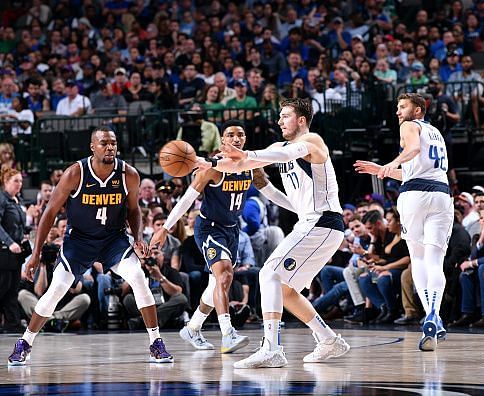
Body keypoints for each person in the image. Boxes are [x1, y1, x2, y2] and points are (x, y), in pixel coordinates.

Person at [195, 98, 350, 368]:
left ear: (301, 120)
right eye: (279, 116)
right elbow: (242, 166)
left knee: (269, 273)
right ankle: (329, 339)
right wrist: (206, 163)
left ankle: (272, 348)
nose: (279, 121)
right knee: (286, 290)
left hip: (323, 222)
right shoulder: (279, 146)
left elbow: (281, 156)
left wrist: (251, 156)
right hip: (312, 224)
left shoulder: (313, 141)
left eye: (285, 116)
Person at [7, 127, 173, 366]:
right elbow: (49, 213)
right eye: (104, 143)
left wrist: (137, 239)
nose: (110, 147)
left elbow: (134, 210)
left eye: (113, 143)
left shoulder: (129, 174)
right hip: (79, 241)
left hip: (113, 239)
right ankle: (25, 342)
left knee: (138, 276)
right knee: (56, 289)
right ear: (92, 147)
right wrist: (35, 254)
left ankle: (156, 343)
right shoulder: (75, 173)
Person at [354, 92, 454, 351]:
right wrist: (383, 170)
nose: (398, 112)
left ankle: (430, 314)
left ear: (418, 110)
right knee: (435, 261)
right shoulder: (436, 133)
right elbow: (415, 168)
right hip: (441, 195)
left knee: (419, 259)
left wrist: (392, 162)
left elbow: (412, 151)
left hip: (415, 197)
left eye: (403, 107)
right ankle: (436, 315)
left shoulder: (409, 126)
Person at [151, 120, 257, 354]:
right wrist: (164, 229)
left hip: (232, 229)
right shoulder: (212, 167)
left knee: (217, 285)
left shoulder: (251, 164)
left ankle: (192, 327)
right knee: (225, 274)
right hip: (209, 228)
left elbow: (270, 191)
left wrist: (298, 209)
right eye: (231, 135)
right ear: (222, 140)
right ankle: (228, 334)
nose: (237, 138)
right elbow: (187, 200)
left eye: (241, 134)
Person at [0, 168, 29, 333]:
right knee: (2, 286)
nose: (19, 184)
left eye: (21, 181)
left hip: (17, 252)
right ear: (6, 182)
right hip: (4, 251)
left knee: (12, 289)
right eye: (15, 181)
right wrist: (10, 242)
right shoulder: (2, 199)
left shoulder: (17, 200)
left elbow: (18, 224)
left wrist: (25, 234)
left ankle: (12, 323)